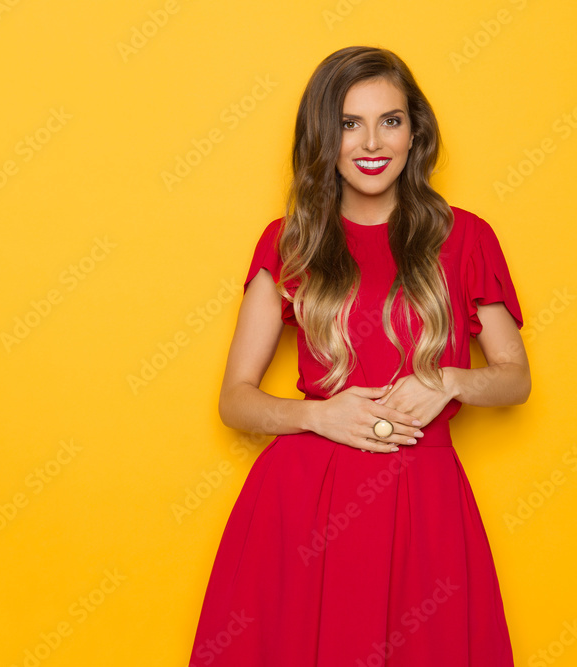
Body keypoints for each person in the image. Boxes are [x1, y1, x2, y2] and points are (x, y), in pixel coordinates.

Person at [188, 45, 530, 666]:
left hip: (424, 496)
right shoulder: (290, 240)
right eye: (350, 123)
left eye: (390, 120)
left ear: (414, 132)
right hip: (303, 500)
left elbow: (515, 379)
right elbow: (234, 399)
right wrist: (317, 416)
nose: (372, 142)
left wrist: (449, 381)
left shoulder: (467, 236)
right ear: (325, 135)